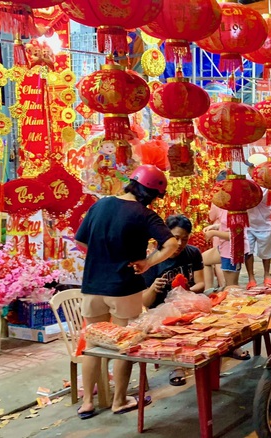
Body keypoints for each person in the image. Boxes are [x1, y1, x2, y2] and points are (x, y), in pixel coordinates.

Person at [75, 165, 179, 419]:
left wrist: (102, 257)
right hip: (124, 287)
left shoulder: (100, 205)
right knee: (124, 345)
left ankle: (88, 403)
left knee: (92, 344)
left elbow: (80, 240)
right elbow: (172, 243)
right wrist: (148, 262)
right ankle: (119, 400)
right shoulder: (145, 215)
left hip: (92, 286)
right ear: (151, 194)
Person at [142, 214, 204, 386]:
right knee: (173, 324)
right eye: (175, 238)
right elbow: (145, 303)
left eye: (184, 239)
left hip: (188, 305)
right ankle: (176, 366)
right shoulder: (152, 261)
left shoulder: (193, 253)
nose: (179, 244)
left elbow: (201, 284)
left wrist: (186, 292)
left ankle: (225, 350)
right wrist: (154, 288)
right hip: (161, 312)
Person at [244, 188, 271, 290]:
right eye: (250, 170)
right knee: (248, 251)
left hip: (265, 221)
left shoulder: (267, 180)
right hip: (248, 222)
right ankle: (251, 278)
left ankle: (267, 274)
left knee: (266, 251)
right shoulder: (246, 180)